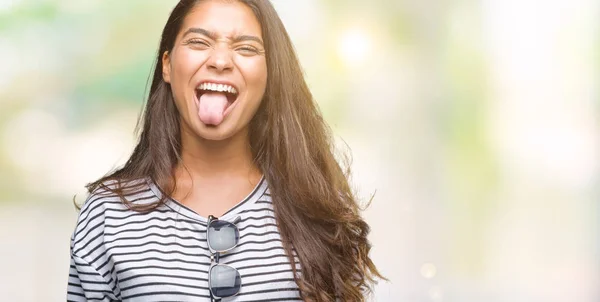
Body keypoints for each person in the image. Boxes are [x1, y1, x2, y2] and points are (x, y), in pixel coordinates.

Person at [67, 0, 384, 301]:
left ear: (270, 74)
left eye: (246, 48)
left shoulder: (318, 210)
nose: (220, 61)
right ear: (167, 64)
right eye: (198, 42)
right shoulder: (108, 214)